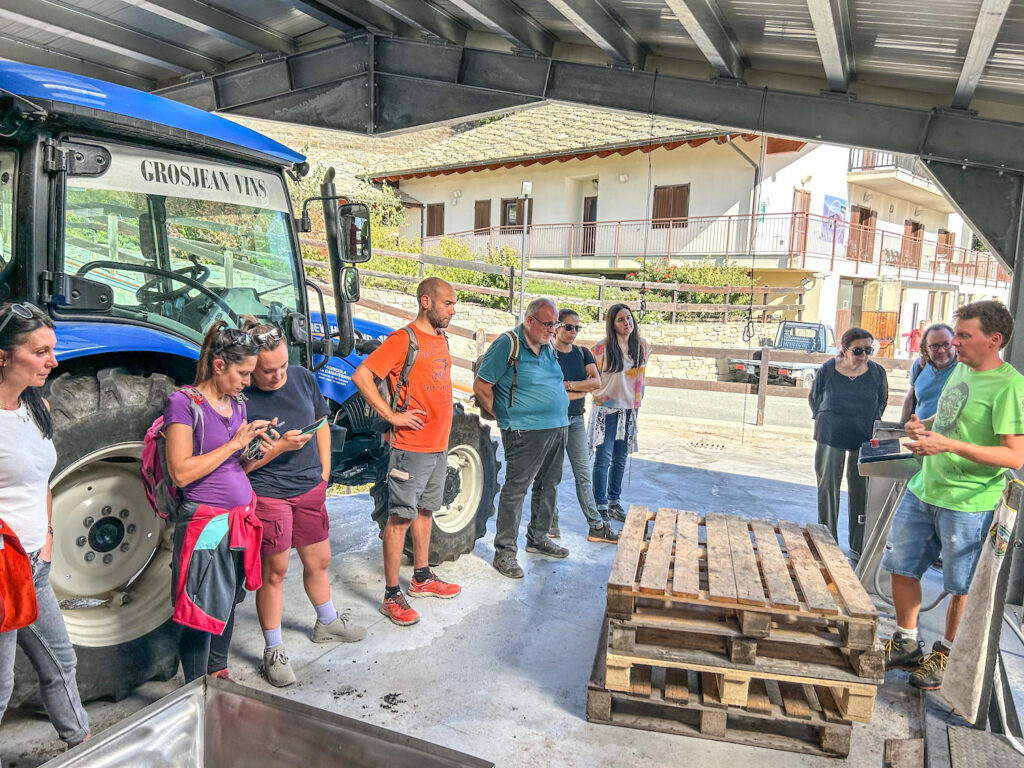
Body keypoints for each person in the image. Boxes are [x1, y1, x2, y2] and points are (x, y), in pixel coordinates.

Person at [882, 300, 1024, 690]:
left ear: (994, 340)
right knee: (901, 567)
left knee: (960, 585)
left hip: (969, 502)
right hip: (925, 488)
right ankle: (907, 644)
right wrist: (923, 426)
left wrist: (946, 446)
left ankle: (946, 653)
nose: (954, 343)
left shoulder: (1010, 386)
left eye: (964, 335)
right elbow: (950, 418)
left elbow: (1014, 455)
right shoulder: (961, 369)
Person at [241, 320, 366, 687]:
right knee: (275, 571)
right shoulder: (242, 396)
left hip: (309, 486)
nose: (278, 375)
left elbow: (321, 424)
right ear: (251, 365)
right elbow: (242, 464)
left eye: (282, 366)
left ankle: (326, 622)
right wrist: (278, 448)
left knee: (319, 560)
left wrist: (325, 473)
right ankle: (273, 648)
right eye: (268, 370)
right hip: (269, 491)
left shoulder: (302, 377)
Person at [0, 302, 90, 753]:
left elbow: (42, 480)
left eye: (51, 350)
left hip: (34, 565)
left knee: (60, 662)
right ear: (3, 356)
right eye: (40, 352)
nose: (53, 362)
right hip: (2, 569)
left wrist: (49, 535)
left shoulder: (34, 406)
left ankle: (84, 745)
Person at [352, 277, 461, 627]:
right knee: (399, 518)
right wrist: (391, 416)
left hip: (438, 446)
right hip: (410, 448)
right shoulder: (404, 340)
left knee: (426, 511)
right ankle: (390, 595)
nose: (453, 311)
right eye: (448, 304)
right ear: (426, 301)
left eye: (454, 304)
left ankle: (422, 576)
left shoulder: (441, 339)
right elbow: (362, 376)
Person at [164, 321, 269, 682]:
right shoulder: (183, 403)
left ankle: (218, 671)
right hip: (206, 524)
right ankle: (196, 687)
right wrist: (234, 445)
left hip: (239, 519)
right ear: (219, 365)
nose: (247, 382)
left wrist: (263, 447)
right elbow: (180, 472)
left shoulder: (236, 403)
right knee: (200, 605)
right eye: (243, 373)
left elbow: (235, 466)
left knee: (227, 599)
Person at [475, 298, 570, 579]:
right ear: (530, 321)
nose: (554, 329)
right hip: (524, 430)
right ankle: (504, 552)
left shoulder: (547, 345)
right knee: (516, 490)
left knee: (549, 484)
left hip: (557, 426)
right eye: (548, 324)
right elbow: (481, 387)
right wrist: (507, 417)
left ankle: (538, 537)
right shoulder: (508, 343)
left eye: (556, 324)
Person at [808, 327, 888, 554]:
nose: (863, 355)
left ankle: (858, 542)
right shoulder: (828, 370)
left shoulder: (876, 372)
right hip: (830, 433)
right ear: (844, 350)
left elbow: (880, 402)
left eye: (868, 350)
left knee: (861, 490)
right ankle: (827, 539)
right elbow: (815, 398)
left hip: (863, 435)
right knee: (828, 488)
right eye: (858, 350)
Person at [552, 310, 617, 544]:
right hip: (553, 421)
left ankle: (596, 525)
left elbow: (596, 383)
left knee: (583, 475)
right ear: (556, 327)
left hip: (576, 420)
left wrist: (568, 385)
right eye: (568, 327)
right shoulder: (549, 354)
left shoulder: (582, 353)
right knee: (552, 475)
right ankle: (551, 521)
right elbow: (551, 390)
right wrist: (579, 389)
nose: (572, 332)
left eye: (576, 328)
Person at [588, 304, 650, 523]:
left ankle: (615, 501)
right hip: (607, 409)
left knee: (621, 458)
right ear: (612, 324)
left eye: (629, 318)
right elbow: (591, 378)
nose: (627, 323)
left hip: (630, 410)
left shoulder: (642, 347)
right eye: (621, 320)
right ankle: (600, 503)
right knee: (603, 458)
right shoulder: (600, 349)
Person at [899, 323, 957, 422]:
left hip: (948, 435)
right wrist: (901, 426)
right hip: (918, 433)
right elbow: (910, 397)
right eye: (934, 346)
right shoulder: (919, 365)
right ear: (925, 347)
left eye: (946, 344)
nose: (941, 350)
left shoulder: (965, 368)